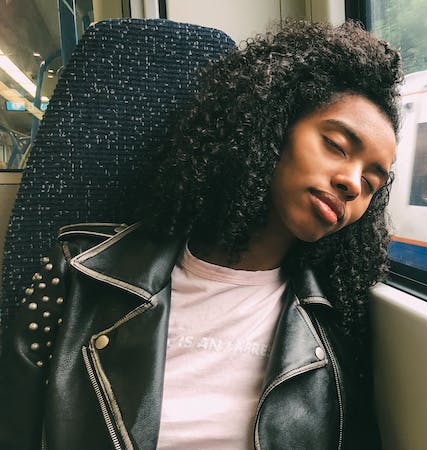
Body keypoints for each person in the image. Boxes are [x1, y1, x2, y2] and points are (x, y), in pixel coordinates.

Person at [0, 20, 402, 450]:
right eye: (337, 145)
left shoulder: (335, 326)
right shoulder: (80, 272)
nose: (353, 184)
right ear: (272, 126)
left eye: (372, 182)